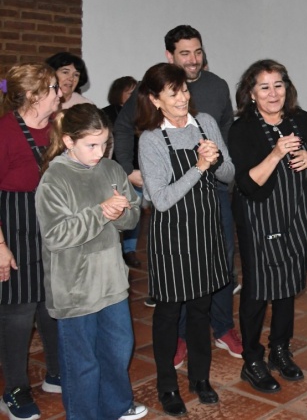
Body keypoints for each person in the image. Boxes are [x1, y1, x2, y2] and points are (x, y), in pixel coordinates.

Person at [113, 25, 241, 362]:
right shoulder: (152, 115)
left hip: (212, 194)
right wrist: (127, 168)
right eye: (185, 53)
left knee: (220, 262)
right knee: (180, 277)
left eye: (198, 52)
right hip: (174, 204)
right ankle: (181, 337)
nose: (194, 59)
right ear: (170, 55)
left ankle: (222, 326)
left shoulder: (215, 91)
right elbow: (124, 127)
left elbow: (226, 147)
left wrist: (217, 160)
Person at [35, 104, 147, 420]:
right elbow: (56, 235)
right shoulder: (55, 179)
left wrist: (121, 212)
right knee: (82, 361)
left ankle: (116, 406)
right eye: (91, 145)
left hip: (111, 280)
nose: (100, 152)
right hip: (76, 288)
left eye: (104, 143)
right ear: (68, 141)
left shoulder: (110, 169)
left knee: (118, 348)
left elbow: (132, 216)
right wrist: (100, 212)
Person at [228, 60, 307, 394]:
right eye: (264, 87)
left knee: (288, 285)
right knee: (258, 291)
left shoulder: (301, 120)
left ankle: (279, 349)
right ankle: (252, 360)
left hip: (295, 215)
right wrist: (276, 153)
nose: (273, 93)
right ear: (251, 93)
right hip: (259, 218)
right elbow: (247, 184)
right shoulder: (242, 128)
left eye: (278, 85)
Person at [136, 63, 233, 416]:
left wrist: (215, 160)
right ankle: (167, 386)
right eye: (173, 93)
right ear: (154, 99)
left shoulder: (204, 123)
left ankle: (200, 379)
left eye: (185, 90)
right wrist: (199, 167)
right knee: (168, 313)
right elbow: (161, 200)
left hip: (205, 232)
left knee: (200, 309)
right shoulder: (151, 139)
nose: (182, 98)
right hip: (173, 238)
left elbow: (229, 174)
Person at [0, 63, 62, 420]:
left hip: (50, 221)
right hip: (14, 222)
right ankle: (15, 389)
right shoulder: (5, 132)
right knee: (19, 312)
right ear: (34, 95)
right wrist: (1, 246)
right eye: (53, 87)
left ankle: (56, 373)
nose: (60, 92)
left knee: (51, 303)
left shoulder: (57, 127)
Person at [103, 76, 142, 268]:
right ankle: (114, 250)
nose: (135, 96)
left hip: (136, 172)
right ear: (118, 93)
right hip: (113, 172)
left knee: (134, 210)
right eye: (130, 92)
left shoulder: (141, 114)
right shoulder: (106, 114)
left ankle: (130, 250)